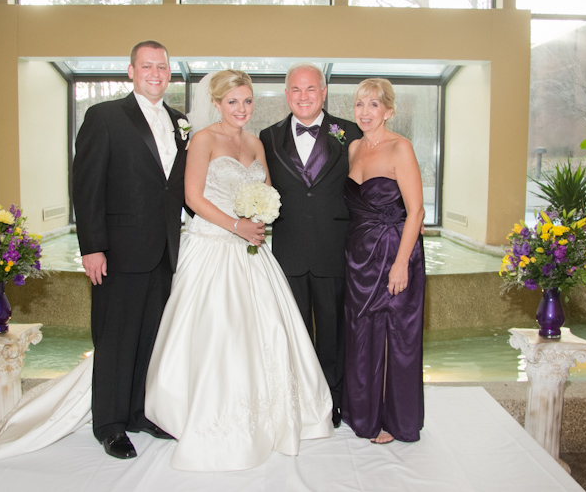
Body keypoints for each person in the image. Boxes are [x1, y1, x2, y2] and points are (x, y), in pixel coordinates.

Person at [145, 69, 333, 471]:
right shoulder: (203, 140)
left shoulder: (255, 143)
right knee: (221, 333)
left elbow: (267, 191)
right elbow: (193, 197)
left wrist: (260, 216)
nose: (241, 108)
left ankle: (272, 415)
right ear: (216, 104)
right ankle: (205, 415)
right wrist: (236, 225)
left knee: (268, 329)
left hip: (252, 249)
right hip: (213, 245)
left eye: (247, 101)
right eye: (232, 102)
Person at [72, 40, 187, 459]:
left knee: (151, 338)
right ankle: (110, 424)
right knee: (115, 339)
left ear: (169, 73)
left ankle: (140, 413)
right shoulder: (104, 116)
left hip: (165, 251)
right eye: (147, 66)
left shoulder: (180, 121)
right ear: (131, 71)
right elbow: (86, 186)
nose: (155, 73)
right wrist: (93, 247)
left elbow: (176, 186)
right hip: (118, 252)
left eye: (162, 67)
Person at [260, 63, 361, 427]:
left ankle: (332, 399)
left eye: (311, 89)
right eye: (296, 89)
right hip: (288, 250)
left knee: (333, 331)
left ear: (324, 92)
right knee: (293, 330)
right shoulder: (268, 137)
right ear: (287, 94)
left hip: (333, 248)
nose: (303, 97)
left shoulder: (349, 132)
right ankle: (299, 398)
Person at [342, 78, 425, 445]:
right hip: (359, 256)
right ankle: (364, 413)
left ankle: (394, 419)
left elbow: (416, 211)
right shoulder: (353, 147)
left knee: (396, 336)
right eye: (360, 104)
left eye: (374, 104)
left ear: (389, 111)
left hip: (394, 251)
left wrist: (401, 262)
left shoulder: (400, 147)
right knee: (362, 333)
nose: (365, 112)